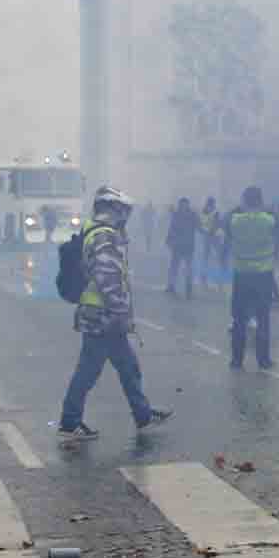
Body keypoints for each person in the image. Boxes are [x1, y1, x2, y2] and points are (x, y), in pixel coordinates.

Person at [56, 186, 169, 438]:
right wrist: (120, 312)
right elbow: (107, 277)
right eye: (122, 211)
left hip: (100, 313)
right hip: (103, 315)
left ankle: (143, 414)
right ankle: (70, 422)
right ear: (111, 210)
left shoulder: (94, 230)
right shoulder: (105, 236)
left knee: (128, 366)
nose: (125, 216)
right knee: (88, 372)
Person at [227, 186, 278, 369]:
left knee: (239, 318)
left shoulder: (236, 221)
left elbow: (228, 219)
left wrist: (240, 208)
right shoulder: (268, 220)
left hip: (241, 274)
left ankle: (237, 359)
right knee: (263, 317)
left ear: (244, 200)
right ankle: (263, 360)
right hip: (263, 275)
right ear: (261, 201)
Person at [165, 197, 199, 296]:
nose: (183, 207)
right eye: (182, 205)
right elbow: (172, 228)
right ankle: (182, 287)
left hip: (182, 245)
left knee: (178, 267)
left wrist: (169, 239)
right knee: (180, 267)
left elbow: (172, 228)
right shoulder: (191, 215)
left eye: (184, 205)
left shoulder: (180, 214)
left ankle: (178, 286)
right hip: (183, 245)